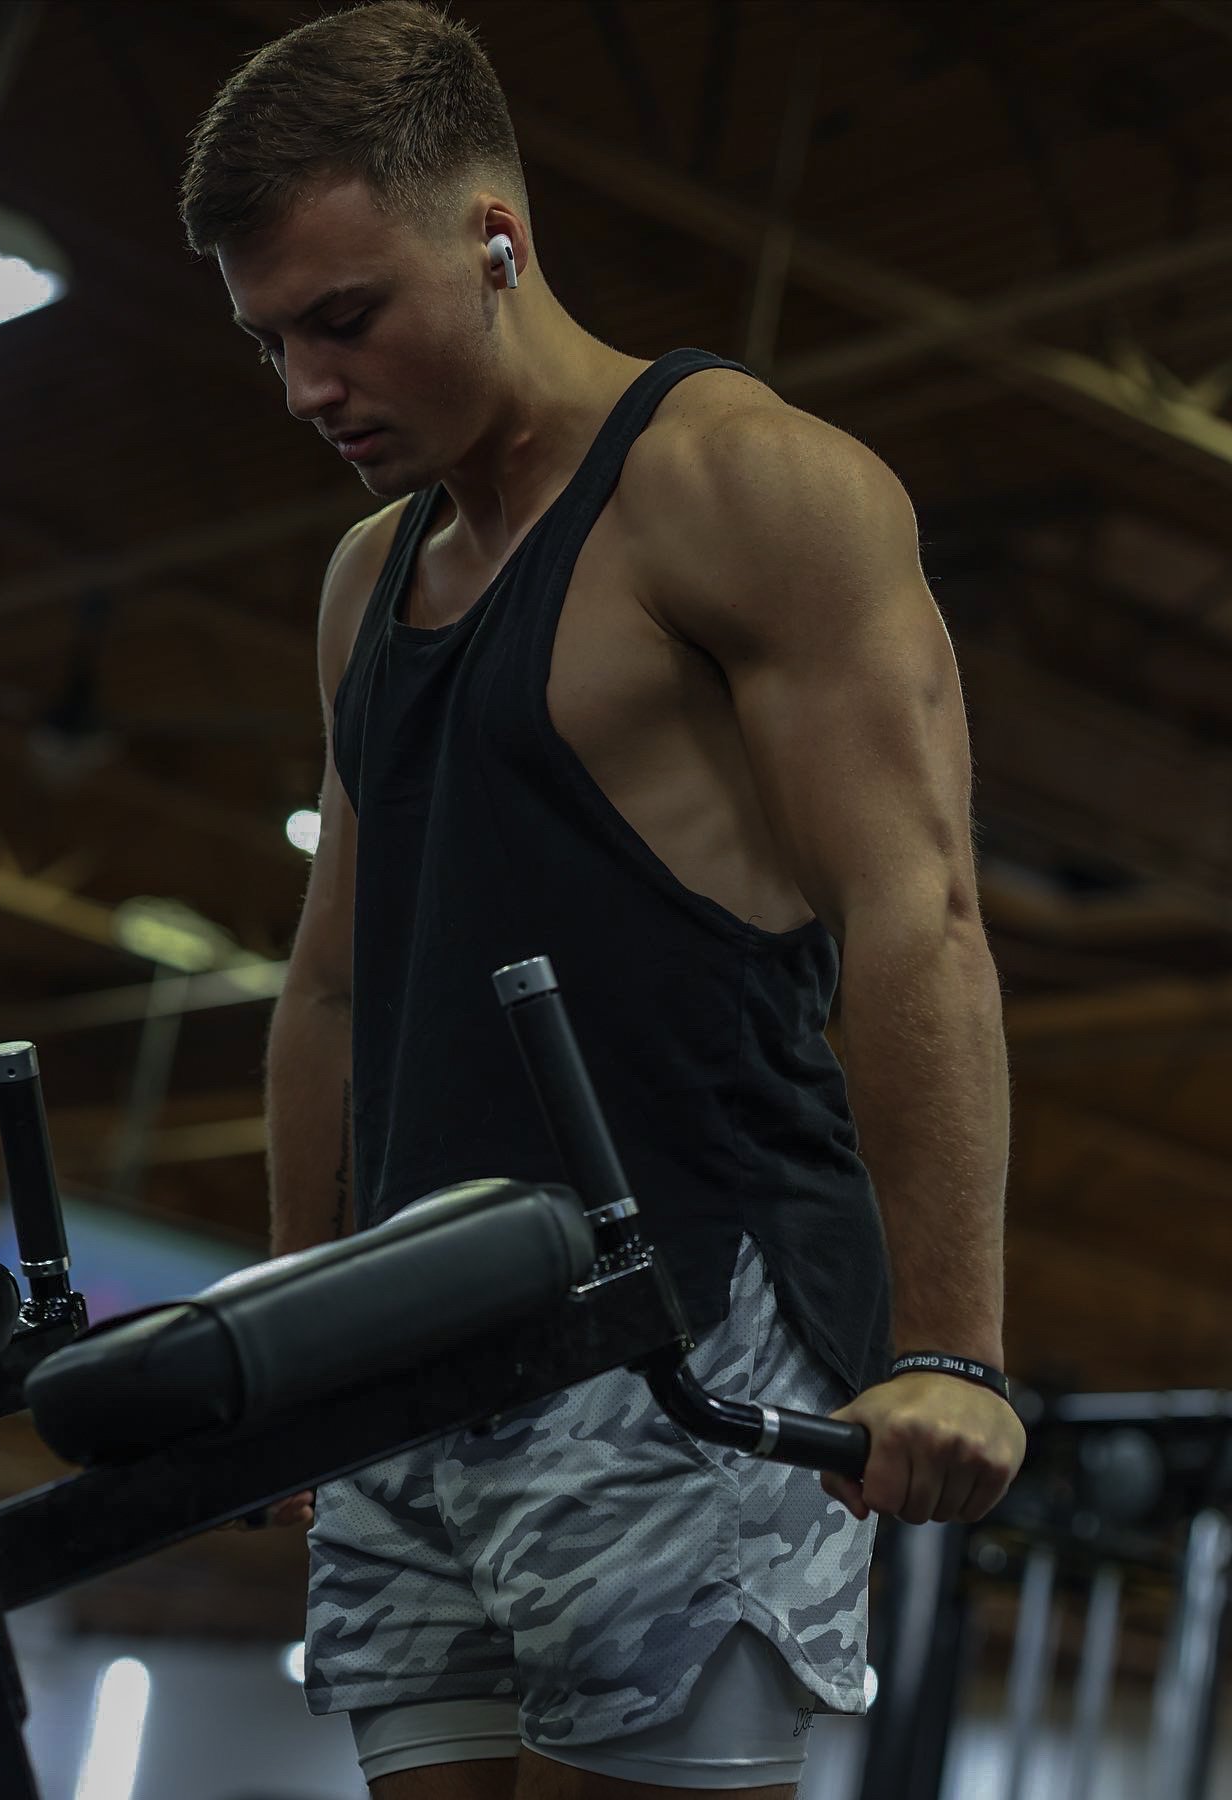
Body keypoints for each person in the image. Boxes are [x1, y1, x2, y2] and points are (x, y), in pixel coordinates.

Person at [179, 4, 1026, 1795]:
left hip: (687, 1333)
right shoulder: (367, 577)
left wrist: (955, 1348)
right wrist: (304, 1330)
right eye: (270, 343)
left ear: (498, 239)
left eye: (346, 321)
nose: (308, 391)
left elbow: (917, 911)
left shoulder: (745, 489)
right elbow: (333, 991)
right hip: (422, 1349)